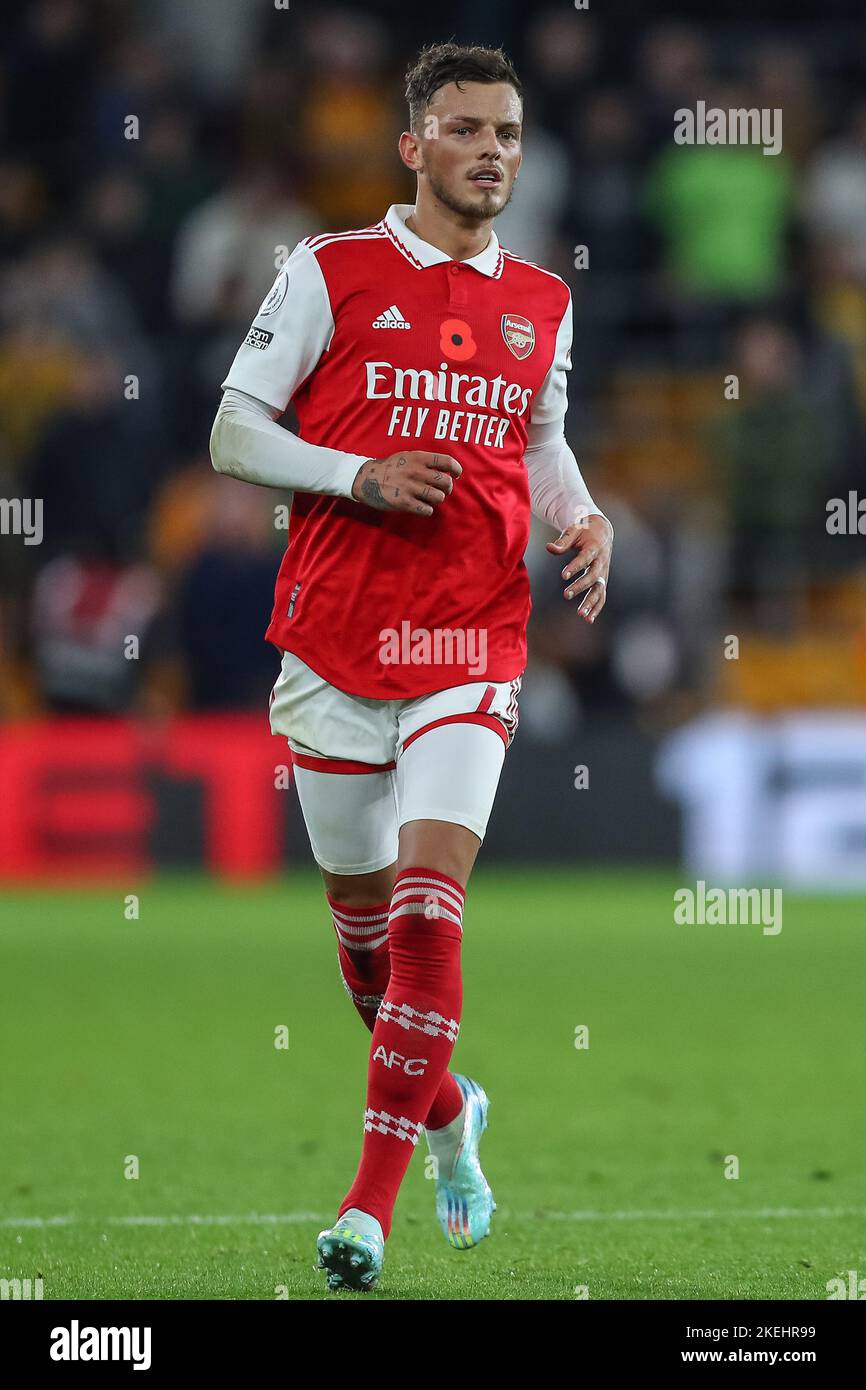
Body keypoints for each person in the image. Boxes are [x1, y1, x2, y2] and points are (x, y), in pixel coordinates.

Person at [210, 41, 613, 1292]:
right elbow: (232, 431)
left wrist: (582, 515)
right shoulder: (330, 270)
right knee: (369, 954)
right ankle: (448, 1114)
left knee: (433, 911)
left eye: (506, 132)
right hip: (334, 639)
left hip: (470, 639)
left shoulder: (541, 300)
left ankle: (366, 1208)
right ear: (413, 146)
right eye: (465, 128)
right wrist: (356, 476)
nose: (490, 150)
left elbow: (538, 440)